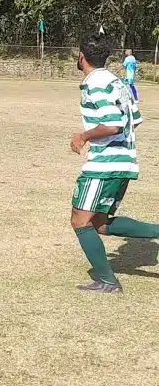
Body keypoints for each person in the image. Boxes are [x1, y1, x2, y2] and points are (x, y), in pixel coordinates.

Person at [69, 34, 159, 293]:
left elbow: (113, 123)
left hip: (105, 165)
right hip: (124, 161)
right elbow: (136, 119)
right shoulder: (117, 82)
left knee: (80, 220)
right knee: (100, 222)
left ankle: (107, 281)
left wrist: (83, 136)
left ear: (81, 57)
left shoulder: (94, 83)